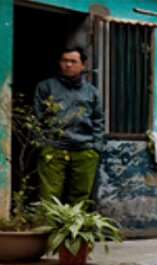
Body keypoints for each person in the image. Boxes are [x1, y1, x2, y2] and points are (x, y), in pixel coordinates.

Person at [34, 46, 104, 206]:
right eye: (65, 61)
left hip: (84, 150)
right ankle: (49, 230)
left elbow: (98, 120)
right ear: (59, 63)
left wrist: (95, 147)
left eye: (73, 61)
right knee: (49, 196)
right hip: (53, 148)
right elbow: (37, 117)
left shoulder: (91, 92)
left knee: (80, 197)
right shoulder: (46, 87)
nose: (69, 65)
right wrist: (42, 144)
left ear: (83, 65)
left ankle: (73, 230)